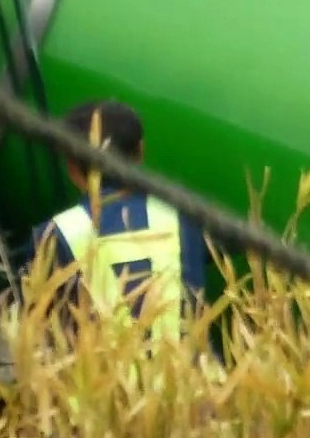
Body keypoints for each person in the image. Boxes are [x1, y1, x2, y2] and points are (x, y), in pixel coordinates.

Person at [23, 99, 211, 345]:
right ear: (141, 151)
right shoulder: (187, 217)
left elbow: (39, 331)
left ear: (71, 166)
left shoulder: (54, 234)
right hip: (195, 380)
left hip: (103, 382)